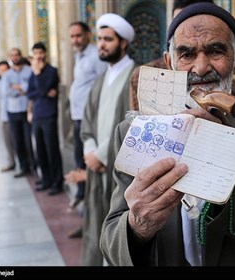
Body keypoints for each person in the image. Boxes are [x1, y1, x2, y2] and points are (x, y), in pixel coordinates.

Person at [100, 2, 235, 266]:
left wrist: (216, 162)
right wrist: (138, 225)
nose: (200, 68)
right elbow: (111, 244)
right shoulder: (135, 133)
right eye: (186, 54)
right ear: (170, 63)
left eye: (216, 51)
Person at [80, 13, 136, 266]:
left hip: (119, 168)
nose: (101, 44)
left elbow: (133, 123)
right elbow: (87, 119)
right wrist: (90, 151)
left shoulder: (136, 77)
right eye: (100, 39)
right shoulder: (101, 79)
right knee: (95, 222)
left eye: (108, 39)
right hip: (96, 165)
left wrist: (101, 155)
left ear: (123, 43)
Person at [129, 0, 213, 111]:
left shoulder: (223, 81)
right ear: (168, 61)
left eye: (215, 52)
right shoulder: (144, 77)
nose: (200, 68)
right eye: (179, 22)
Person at [66, 21, 107, 209]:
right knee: (78, 155)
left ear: (87, 35)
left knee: (88, 155)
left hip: (88, 116)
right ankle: (82, 191)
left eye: (78, 35)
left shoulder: (95, 56)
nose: (75, 39)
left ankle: (89, 192)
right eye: (72, 36)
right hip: (77, 115)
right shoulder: (79, 56)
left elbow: (103, 84)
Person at [27, 42, 64, 196]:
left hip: (49, 114)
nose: (39, 56)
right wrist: (43, 91)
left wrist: (37, 76)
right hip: (37, 115)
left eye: (41, 53)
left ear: (45, 53)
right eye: (36, 53)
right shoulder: (33, 72)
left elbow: (40, 90)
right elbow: (30, 93)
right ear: (33, 54)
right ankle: (46, 179)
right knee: (40, 150)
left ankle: (57, 182)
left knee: (52, 149)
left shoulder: (51, 71)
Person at [4, 48, 37, 178]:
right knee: (17, 141)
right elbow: (7, 92)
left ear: (20, 56)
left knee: (28, 140)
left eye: (16, 55)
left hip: (26, 109)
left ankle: (33, 165)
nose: (15, 57)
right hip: (13, 111)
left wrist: (17, 87)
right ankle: (23, 167)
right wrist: (21, 89)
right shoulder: (7, 75)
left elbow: (31, 88)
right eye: (12, 55)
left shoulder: (29, 71)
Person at [0, 61, 16, 172]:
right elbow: (0, 99)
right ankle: (11, 161)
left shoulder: (13, 81)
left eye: (5, 70)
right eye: (1, 71)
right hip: (4, 115)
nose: (3, 73)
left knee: (18, 140)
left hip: (14, 112)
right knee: (7, 140)